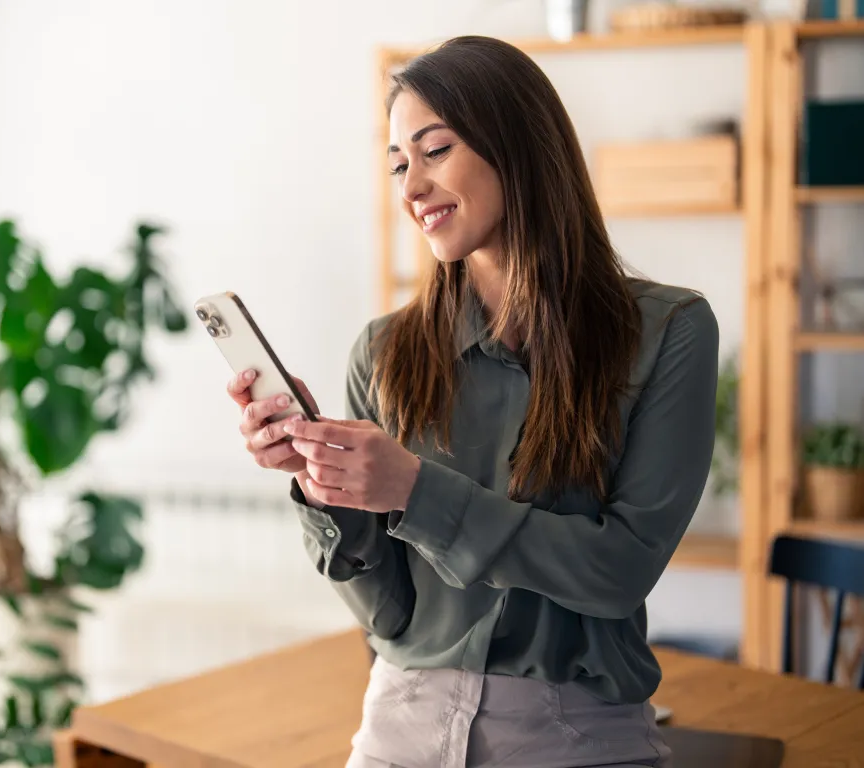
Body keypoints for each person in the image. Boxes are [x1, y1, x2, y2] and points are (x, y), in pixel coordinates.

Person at [226, 35, 717, 768]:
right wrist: (324, 486)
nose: (411, 188)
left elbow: (618, 573)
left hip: (574, 737)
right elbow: (389, 615)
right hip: (399, 726)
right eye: (399, 164)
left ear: (518, 144)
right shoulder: (384, 353)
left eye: (435, 150)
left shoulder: (668, 331)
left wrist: (415, 491)